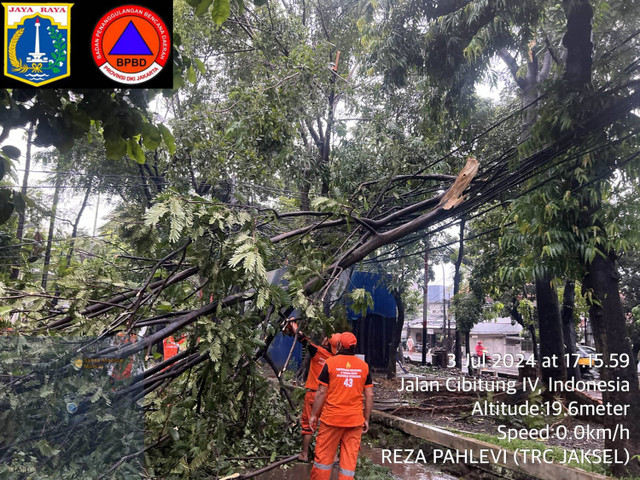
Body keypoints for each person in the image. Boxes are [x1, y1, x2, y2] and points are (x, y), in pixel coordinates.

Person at [309, 332, 373, 480]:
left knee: (323, 462)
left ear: (339, 345)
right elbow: (369, 395)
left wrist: (313, 415)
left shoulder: (330, 363)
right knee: (348, 465)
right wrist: (366, 419)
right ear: (354, 347)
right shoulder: (364, 366)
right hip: (355, 421)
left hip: (331, 420)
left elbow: (321, 392)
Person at [285, 318, 340, 462]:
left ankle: (304, 454)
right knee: (328, 426)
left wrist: (292, 324)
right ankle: (333, 456)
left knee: (308, 423)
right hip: (330, 397)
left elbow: (303, 338)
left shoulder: (318, 352)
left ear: (327, 342)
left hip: (314, 394)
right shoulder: (337, 360)